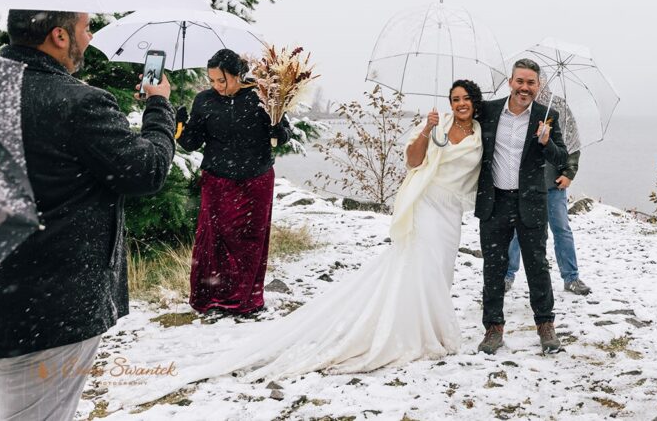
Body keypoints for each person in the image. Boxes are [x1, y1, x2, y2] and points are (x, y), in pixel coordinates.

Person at [110, 80, 484, 406]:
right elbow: (413, 161)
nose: (459, 104)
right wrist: (426, 130)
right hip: (424, 202)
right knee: (416, 262)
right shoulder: (437, 124)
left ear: (474, 102)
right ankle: (409, 328)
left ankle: (434, 322)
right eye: (454, 98)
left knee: (440, 265)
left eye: (465, 98)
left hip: (451, 210)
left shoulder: (482, 134)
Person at [0, 9, 175, 421]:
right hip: (46, 305)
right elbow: (145, 171)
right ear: (59, 35)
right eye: (85, 29)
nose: (90, 38)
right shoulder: (77, 102)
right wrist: (160, 106)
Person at [175, 48, 293, 316]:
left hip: (256, 180)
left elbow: (284, 133)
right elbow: (192, 143)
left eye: (222, 80)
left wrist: (277, 131)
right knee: (213, 241)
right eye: (212, 80)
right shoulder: (204, 100)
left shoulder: (263, 97)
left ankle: (244, 300)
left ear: (239, 75)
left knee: (250, 241)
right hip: (217, 180)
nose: (217, 86)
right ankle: (212, 299)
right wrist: (179, 124)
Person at [475, 59, 568, 355]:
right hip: (494, 201)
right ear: (510, 82)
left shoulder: (547, 116)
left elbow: (562, 159)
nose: (524, 88)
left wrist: (545, 142)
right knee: (494, 266)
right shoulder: (489, 111)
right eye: (520, 81)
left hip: (531, 202)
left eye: (530, 83)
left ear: (538, 87)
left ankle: (545, 325)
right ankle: (493, 328)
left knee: (537, 266)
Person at [504, 148, 590, 295]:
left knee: (562, 230)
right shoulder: (521, 123)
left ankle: (571, 278)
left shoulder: (566, 123)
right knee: (517, 230)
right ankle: (506, 276)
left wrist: (568, 174)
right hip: (525, 183)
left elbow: (573, 147)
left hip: (554, 184)